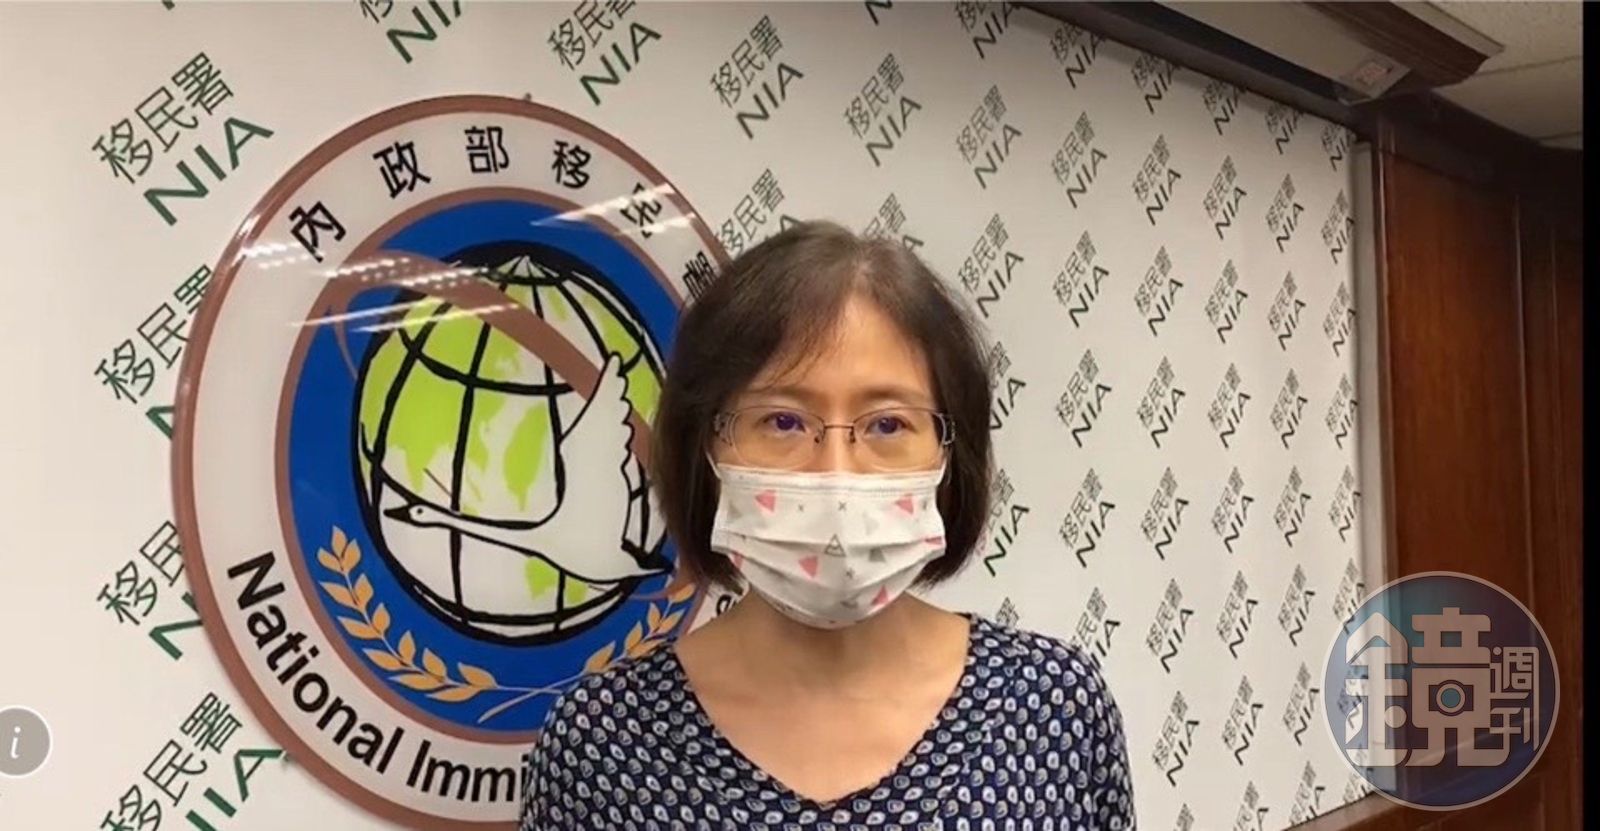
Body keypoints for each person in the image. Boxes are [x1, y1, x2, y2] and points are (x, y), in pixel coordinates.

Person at [520, 220, 1135, 830]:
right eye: (783, 422)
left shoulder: (1054, 706)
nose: (836, 474)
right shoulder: (600, 746)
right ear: (707, 445)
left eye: (888, 425)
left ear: (950, 451)